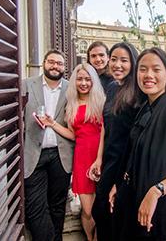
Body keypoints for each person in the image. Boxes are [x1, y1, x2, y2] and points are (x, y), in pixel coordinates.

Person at [111, 47, 166, 240]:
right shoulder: (146, 106)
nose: (148, 75)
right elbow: (136, 152)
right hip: (132, 197)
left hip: (153, 209)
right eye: (142, 69)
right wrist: (119, 183)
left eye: (156, 69)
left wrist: (156, 190)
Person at [41, 63, 106, 241]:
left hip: (100, 156)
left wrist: (99, 158)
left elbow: (105, 132)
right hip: (82, 157)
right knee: (87, 210)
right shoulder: (71, 104)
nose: (83, 83)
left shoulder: (101, 102)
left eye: (87, 79)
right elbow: (73, 134)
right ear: (74, 81)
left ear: (93, 81)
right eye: (79, 79)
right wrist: (53, 124)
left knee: (101, 207)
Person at [22, 50, 73, 241]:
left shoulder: (71, 89)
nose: (55, 66)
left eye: (59, 63)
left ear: (64, 67)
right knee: (35, 207)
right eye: (51, 62)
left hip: (61, 155)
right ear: (44, 63)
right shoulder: (27, 84)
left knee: (57, 206)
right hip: (34, 153)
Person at [92, 42, 141, 241]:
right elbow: (105, 125)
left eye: (124, 60)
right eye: (114, 59)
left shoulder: (138, 93)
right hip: (108, 161)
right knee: (100, 213)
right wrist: (98, 159)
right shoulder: (111, 87)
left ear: (133, 63)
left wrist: (121, 181)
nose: (117, 64)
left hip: (124, 165)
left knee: (112, 217)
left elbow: (142, 138)